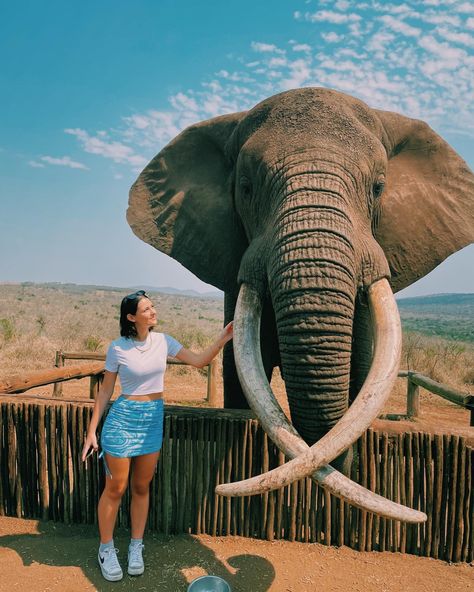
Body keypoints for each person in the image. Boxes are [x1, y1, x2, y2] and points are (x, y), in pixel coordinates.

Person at [81, 290, 233, 582]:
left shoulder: (164, 341)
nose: (153, 311)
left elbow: (199, 361)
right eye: (146, 308)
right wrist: (91, 431)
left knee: (141, 487)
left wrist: (223, 338)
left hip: (152, 422)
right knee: (117, 488)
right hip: (122, 422)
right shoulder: (118, 348)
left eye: (152, 306)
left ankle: (136, 547)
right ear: (131, 317)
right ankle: (106, 549)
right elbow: (105, 392)